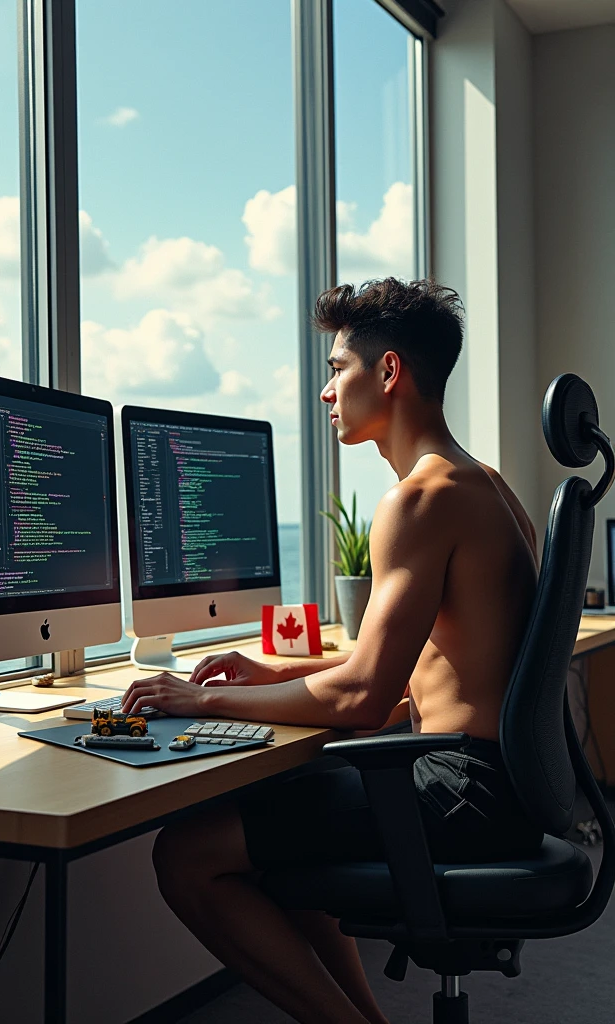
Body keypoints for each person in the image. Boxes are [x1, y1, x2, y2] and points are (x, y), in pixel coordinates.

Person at [121, 277, 543, 1024]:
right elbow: (416, 664)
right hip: (501, 784)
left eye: (337, 368)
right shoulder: (487, 486)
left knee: (185, 856)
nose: (325, 392)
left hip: (460, 790)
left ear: (388, 373)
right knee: (277, 819)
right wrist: (276, 673)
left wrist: (199, 698)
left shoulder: (417, 498)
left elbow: (364, 700)